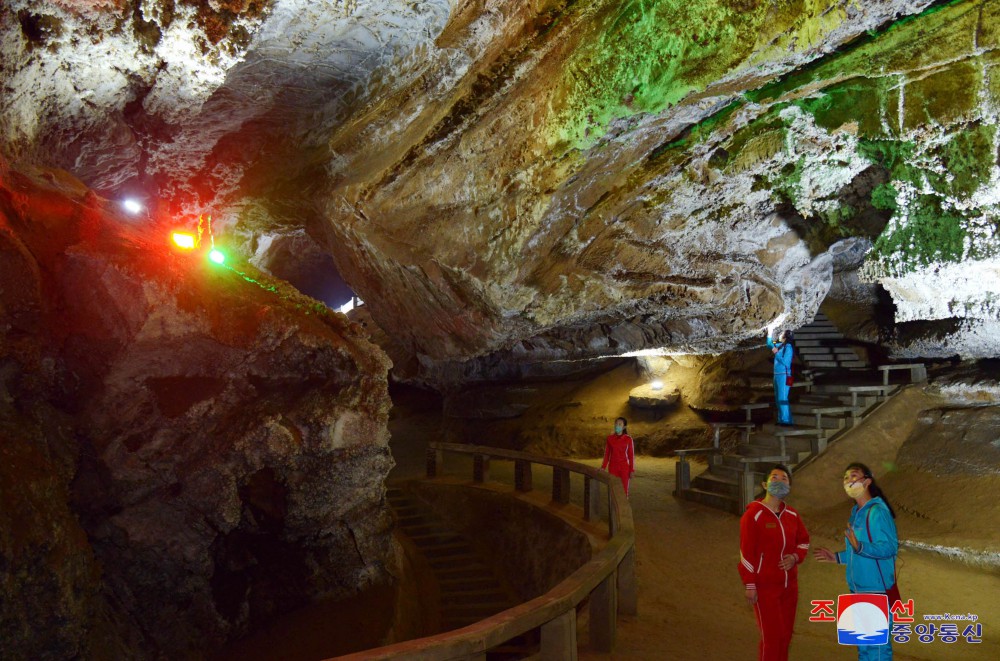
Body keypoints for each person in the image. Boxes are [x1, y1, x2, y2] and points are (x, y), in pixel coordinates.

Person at [813, 462, 899, 661]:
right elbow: (856, 551)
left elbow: (889, 548)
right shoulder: (856, 513)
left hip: (876, 590)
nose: (848, 481)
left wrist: (861, 547)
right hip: (857, 589)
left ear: (867, 481)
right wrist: (836, 557)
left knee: (878, 651)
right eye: (845, 478)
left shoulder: (877, 511)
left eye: (853, 476)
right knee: (863, 650)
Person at [738, 464, 810, 661]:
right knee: (772, 637)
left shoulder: (792, 515)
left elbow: (803, 541)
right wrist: (750, 584)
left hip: (789, 587)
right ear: (764, 484)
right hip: (765, 587)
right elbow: (746, 553)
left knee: (785, 637)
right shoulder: (753, 515)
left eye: (784, 478)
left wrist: (795, 557)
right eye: (774, 477)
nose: (779, 481)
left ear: (789, 486)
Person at [601, 417, 635, 497]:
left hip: (624, 468)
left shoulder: (628, 439)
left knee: (624, 490)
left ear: (624, 427)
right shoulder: (610, 438)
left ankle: (623, 509)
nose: (617, 426)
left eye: (620, 424)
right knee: (612, 490)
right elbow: (607, 454)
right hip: (613, 467)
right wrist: (603, 467)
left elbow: (631, 455)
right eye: (616, 424)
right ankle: (612, 509)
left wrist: (631, 470)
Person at [767, 330, 794, 425]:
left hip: (785, 375)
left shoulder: (788, 347)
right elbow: (769, 344)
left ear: (785, 337)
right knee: (778, 398)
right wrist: (769, 333)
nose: (780, 334)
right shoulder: (780, 345)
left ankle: (786, 421)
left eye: (782, 334)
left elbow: (786, 362)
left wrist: (776, 353)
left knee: (782, 398)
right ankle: (781, 419)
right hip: (777, 375)